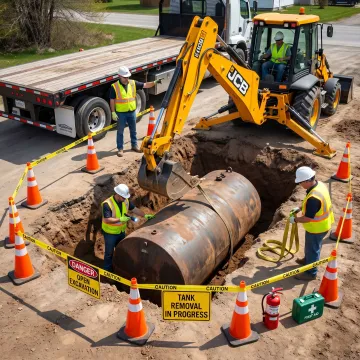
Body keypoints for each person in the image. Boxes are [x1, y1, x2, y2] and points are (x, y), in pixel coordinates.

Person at [290, 166, 334, 281]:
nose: (300, 185)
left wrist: (295, 220)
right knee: (311, 247)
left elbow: (308, 218)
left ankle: (311, 273)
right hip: (322, 225)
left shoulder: (314, 198)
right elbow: (310, 206)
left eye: (300, 182)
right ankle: (307, 260)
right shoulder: (319, 185)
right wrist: (299, 208)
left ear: (307, 181)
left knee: (313, 249)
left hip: (317, 228)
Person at [101, 183, 155, 271]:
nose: (124, 199)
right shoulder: (107, 204)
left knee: (122, 249)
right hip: (110, 233)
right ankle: (108, 272)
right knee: (109, 254)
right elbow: (106, 220)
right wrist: (120, 219)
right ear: (118, 195)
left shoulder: (125, 201)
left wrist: (145, 215)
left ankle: (120, 267)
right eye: (123, 197)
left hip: (121, 231)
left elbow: (135, 209)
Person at [110, 66, 162, 157]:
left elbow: (145, 85)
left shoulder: (133, 83)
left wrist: (154, 82)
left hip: (131, 111)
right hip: (121, 113)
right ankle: (120, 149)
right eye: (125, 77)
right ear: (119, 76)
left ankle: (134, 145)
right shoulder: (114, 86)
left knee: (133, 130)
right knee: (120, 131)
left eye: (128, 77)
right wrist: (113, 112)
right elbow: (112, 100)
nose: (127, 79)